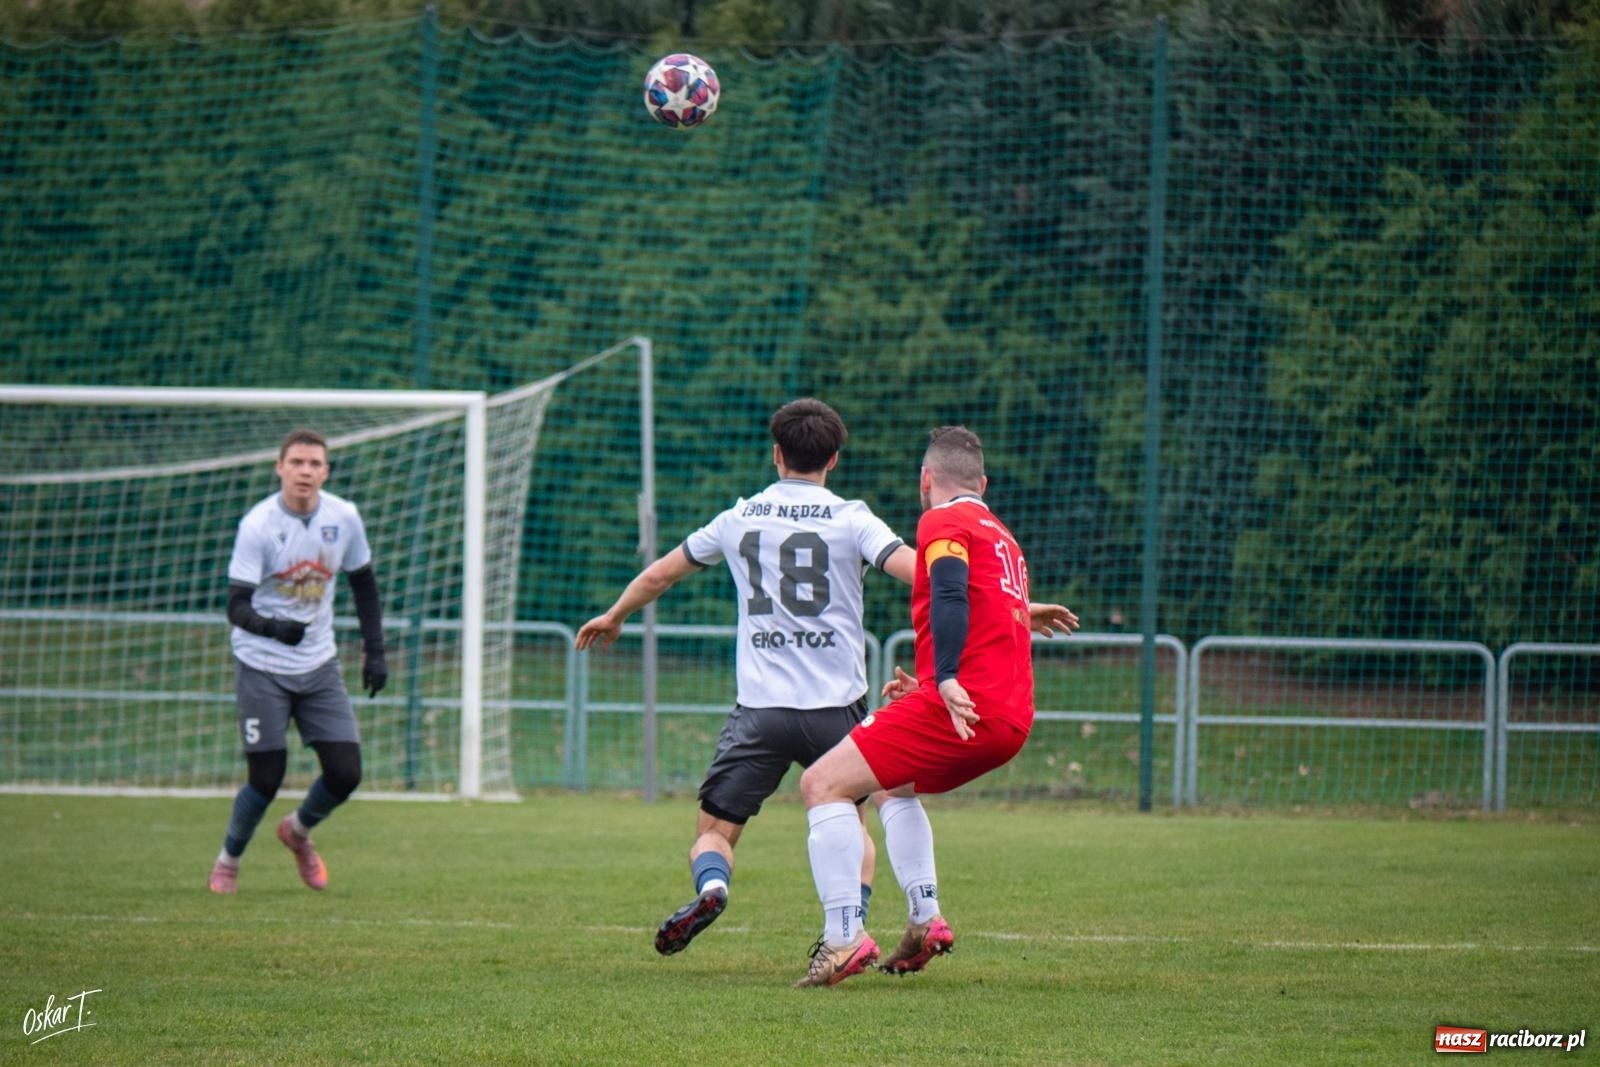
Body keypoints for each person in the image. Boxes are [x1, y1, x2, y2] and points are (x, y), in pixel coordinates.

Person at [575, 400, 1076, 959]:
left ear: (776, 454)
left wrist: (615, 614)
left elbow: (661, 573)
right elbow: (932, 574)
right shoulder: (851, 518)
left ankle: (713, 888)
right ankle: (848, 928)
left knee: (714, 832)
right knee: (855, 816)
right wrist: (1014, 608)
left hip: (759, 711)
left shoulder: (738, 518)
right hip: (835, 707)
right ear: (833, 459)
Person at [793, 425, 1055, 987]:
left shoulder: (943, 520)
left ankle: (843, 941)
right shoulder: (1004, 536)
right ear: (982, 483)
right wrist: (932, 682)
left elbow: (952, 591)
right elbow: (982, 614)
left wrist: (948, 679)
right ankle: (924, 919)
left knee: (821, 785)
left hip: (962, 703)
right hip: (1007, 718)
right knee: (892, 786)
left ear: (925, 479)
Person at [207, 428, 387, 894]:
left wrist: (376, 650)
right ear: (280, 467)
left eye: (315, 464)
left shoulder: (343, 516)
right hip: (262, 663)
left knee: (347, 773)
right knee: (266, 778)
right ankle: (229, 859)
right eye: (297, 463)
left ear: (325, 472)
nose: (305, 471)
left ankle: (298, 832)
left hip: (319, 663)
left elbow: (363, 583)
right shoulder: (258, 524)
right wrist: (273, 627)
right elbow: (236, 606)